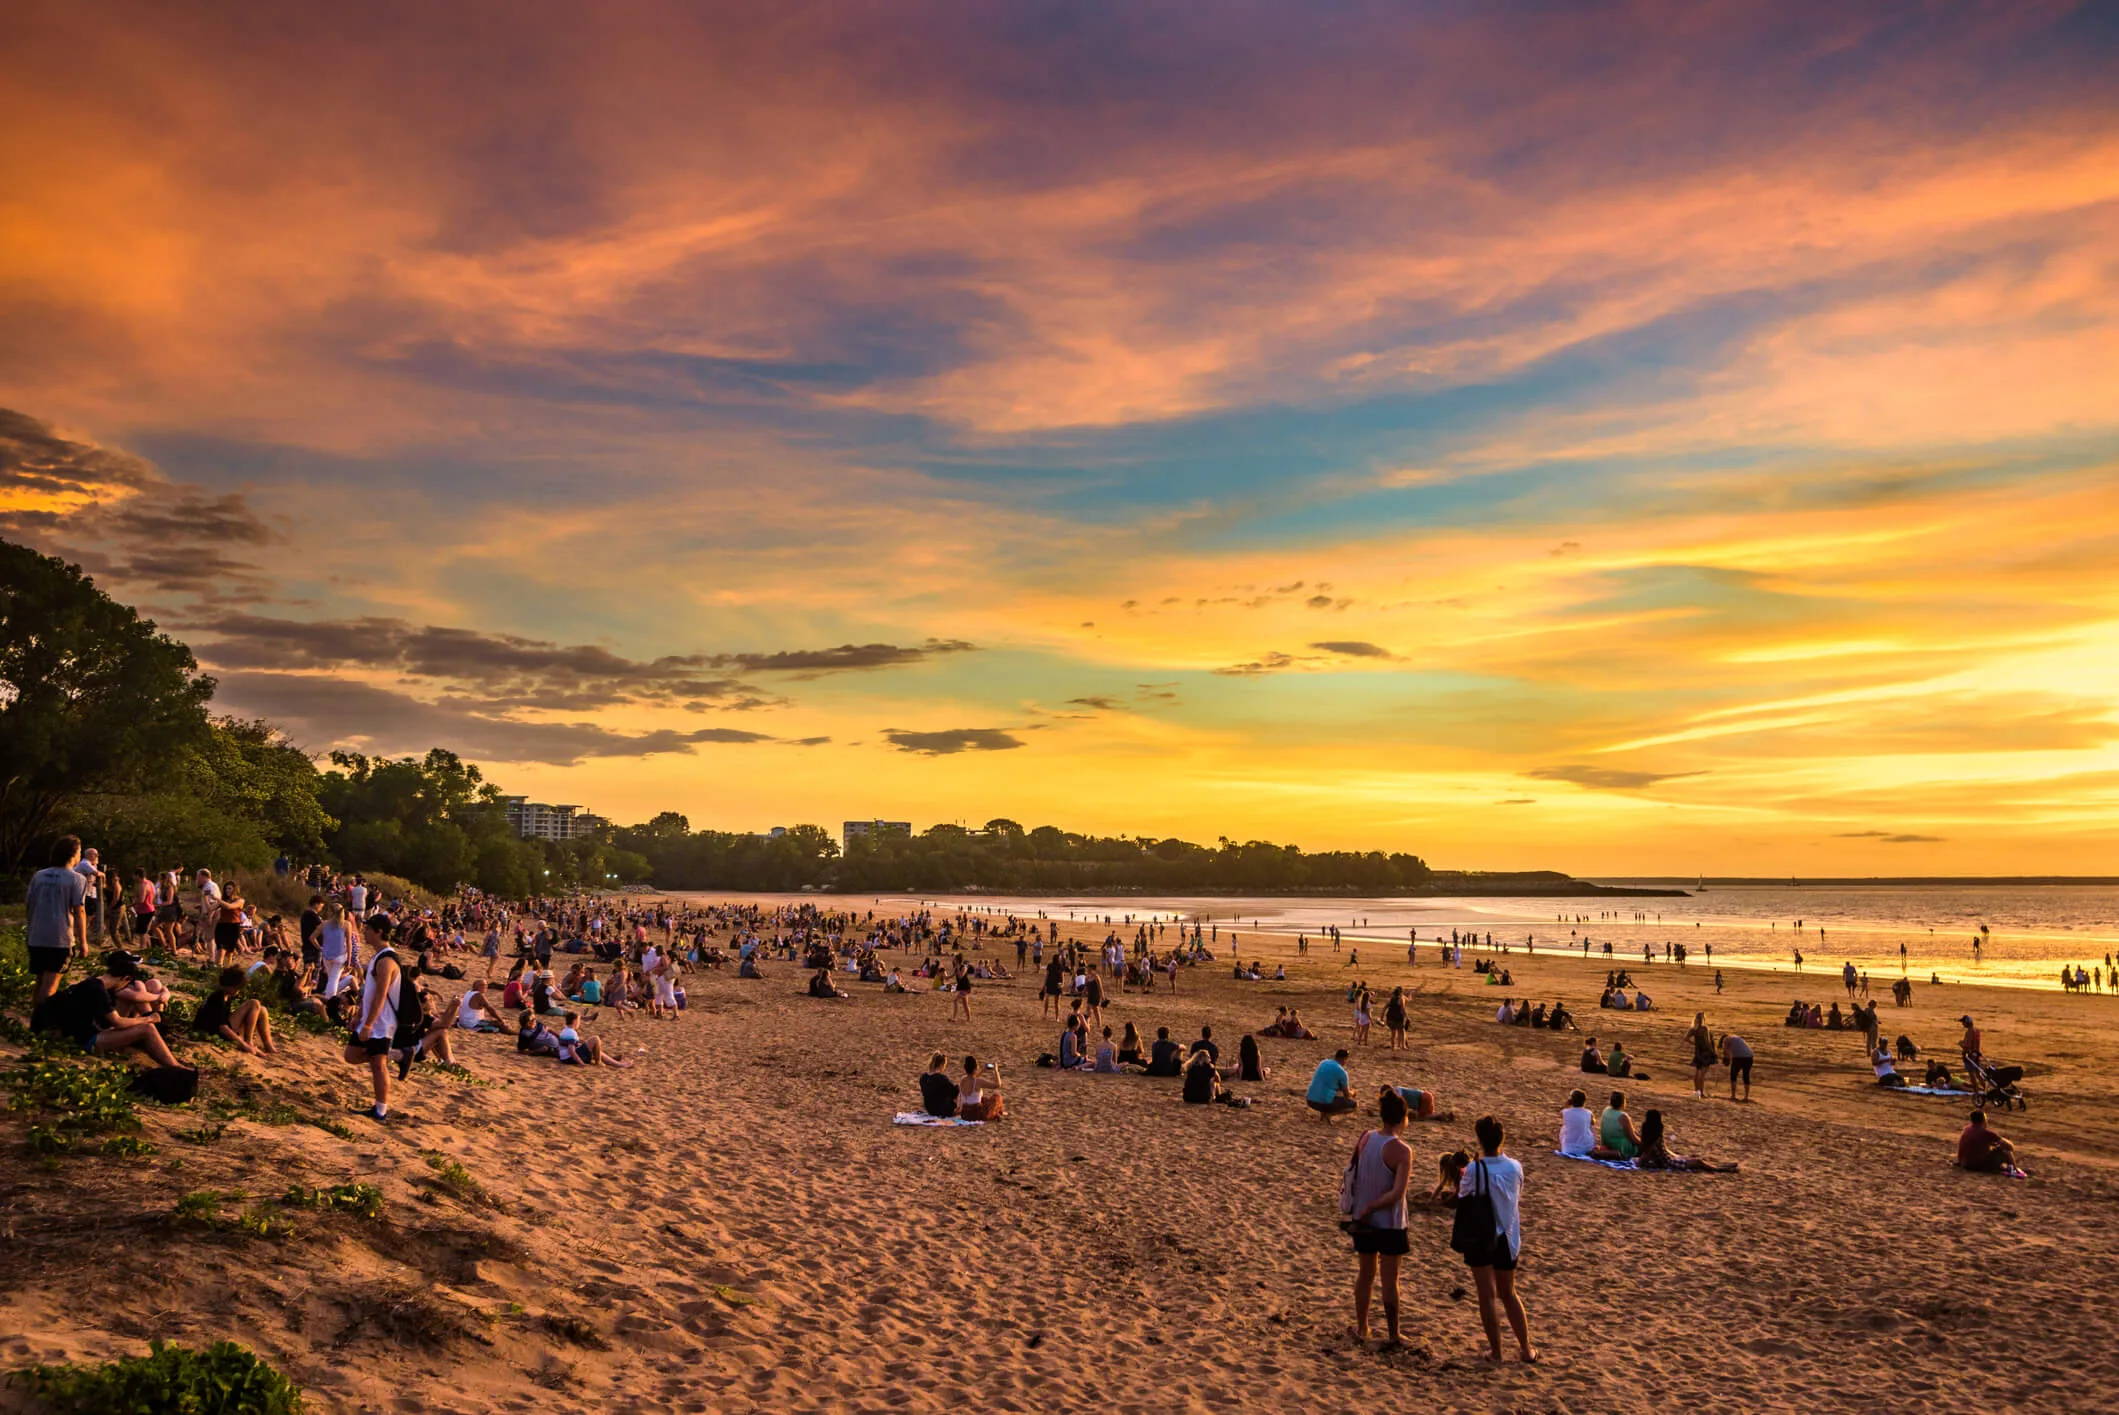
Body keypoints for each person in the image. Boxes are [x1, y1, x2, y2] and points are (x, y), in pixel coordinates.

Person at [1457, 1115, 1534, 1363]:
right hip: (1508, 1237)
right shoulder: (1515, 1167)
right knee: (1509, 1293)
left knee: (1487, 1296)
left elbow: (1463, 1197)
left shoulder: (1473, 1169)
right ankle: (1526, 1348)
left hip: (1482, 1236)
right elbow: (1516, 1195)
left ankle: (1497, 1352)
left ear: (1479, 1140)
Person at [31, 949, 187, 1070]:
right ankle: (176, 1067)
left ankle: (167, 1060)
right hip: (84, 1040)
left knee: (141, 1026)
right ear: (125, 979)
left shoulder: (92, 983)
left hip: (73, 1031)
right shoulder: (98, 990)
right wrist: (148, 1019)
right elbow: (117, 1022)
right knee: (147, 1029)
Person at [1343, 1088, 1412, 1346]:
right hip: (1390, 1222)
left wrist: (1365, 1208)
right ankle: (1394, 1333)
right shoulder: (1402, 1150)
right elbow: (1397, 1193)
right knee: (1390, 1280)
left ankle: (1363, 1327)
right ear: (1403, 1118)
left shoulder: (1365, 1138)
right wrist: (1373, 1206)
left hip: (1364, 1219)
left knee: (1365, 1274)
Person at [343, 915, 414, 1122]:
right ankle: (399, 1055)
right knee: (352, 1055)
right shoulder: (378, 956)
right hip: (373, 1021)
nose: (365, 932)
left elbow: (381, 995)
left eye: (368, 929)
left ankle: (381, 1111)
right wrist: (358, 1016)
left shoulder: (387, 961)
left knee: (378, 1064)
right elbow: (369, 992)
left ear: (379, 931)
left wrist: (368, 1023)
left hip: (382, 1023)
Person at [25, 836, 89, 1009]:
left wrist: (31, 930)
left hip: (36, 936)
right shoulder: (76, 879)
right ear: (73, 854)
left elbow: (29, 905)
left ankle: (35, 1021)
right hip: (59, 938)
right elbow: (79, 912)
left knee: (40, 981)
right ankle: (42, 1025)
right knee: (50, 985)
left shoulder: (39, 876)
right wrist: (83, 941)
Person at [193, 966, 278, 1057]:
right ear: (231, 985)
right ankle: (248, 1042)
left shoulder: (226, 996)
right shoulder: (218, 998)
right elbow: (223, 1027)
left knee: (262, 1009)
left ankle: (269, 1045)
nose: (238, 991)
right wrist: (243, 1044)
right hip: (213, 1031)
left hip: (220, 1027)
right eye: (237, 988)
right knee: (254, 1003)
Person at [1637, 1109, 1739, 1172]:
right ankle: (1719, 1168)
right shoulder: (1655, 1141)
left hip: (1667, 1160)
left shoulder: (1650, 1139)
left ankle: (1720, 1166)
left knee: (1696, 1160)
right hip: (1668, 1163)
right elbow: (1650, 1154)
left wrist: (1676, 1156)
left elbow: (1650, 1153)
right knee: (1698, 1162)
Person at [1954, 1109, 2018, 1174]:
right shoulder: (1986, 1133)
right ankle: (2015, 1170)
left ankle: (2007, 1168)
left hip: (1965, 1164)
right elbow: (2010, 1147)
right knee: (2005, 1150)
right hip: (1978, 1166)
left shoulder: (1967, 1129)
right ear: (1983, 1120)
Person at [1307, 1048, 1356, 1120]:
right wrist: (1353, 1092)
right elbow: (1347, 1095)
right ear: (1344, 1059)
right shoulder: (1341, 1072)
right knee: (1354, 1106)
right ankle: (1329, 1114)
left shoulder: (1323, 1063)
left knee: (1328, 1091)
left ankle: (1323, 1115)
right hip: (1322, 1103)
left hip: (1310, 1100)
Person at [1595, 1091, 1641, 1161]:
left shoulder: (1606, 1110)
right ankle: (1617, 1153)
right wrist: (1642, 1143)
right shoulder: (1623, 1116)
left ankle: (1609, 1152)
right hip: (1619, 1146)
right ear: (1623, 1103)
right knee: (1640, 1147)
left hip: (1606, 1142)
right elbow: (1633, 1138)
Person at [958, 1056, 1006, 1120]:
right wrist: (996, 1070)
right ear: (976, 1068)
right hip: (977, 1114)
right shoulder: (978, 1082)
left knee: (984, 1099)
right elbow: (998, 1085)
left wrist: (983, 1071)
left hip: (964, 1114)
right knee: (997, 1097)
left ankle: (997, 1112)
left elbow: (972, 1079)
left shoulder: (963, 1080)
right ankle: (998, 1112)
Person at [1684, 1012, 1716, 1100]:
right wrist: (1713, 1052)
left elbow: (1686, 1038)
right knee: (1702, 1074)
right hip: (1706, 1052)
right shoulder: (1704, 1029)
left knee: (1697, 1073)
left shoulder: (1693, 1029)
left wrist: (1695, 1044)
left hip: (1698, 1052)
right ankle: (1701, 1093)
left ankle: (1696, 1092)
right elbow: (1708, 1042)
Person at [918, 1052, 960, 1118]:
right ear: (941, 1065)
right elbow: (954, 1093)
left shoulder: (923, 1077)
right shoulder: (941, 1078)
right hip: (942, 1109)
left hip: (930, 1109)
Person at [1557, 1090, 1596, 1158]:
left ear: (1571, 1101)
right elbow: (1593, 1123)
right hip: (1586, 1148)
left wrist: (1567, 1104)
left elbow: (1560, 1113)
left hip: (1568, 1148)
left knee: (1564, 1127)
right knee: (1588, 1127)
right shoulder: (1589, 1113)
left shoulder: (1565, 1112)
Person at [1719, 1032, 1754, 1101]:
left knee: (1733, 1075)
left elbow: (1726, 1051)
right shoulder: (1736, 1037)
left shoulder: (1726, 1039)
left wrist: (1726, 1058)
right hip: (1749, 1056)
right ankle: (1746, 1097)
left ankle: (1733, 1095)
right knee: (1746, 1076)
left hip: (1739, 1057)